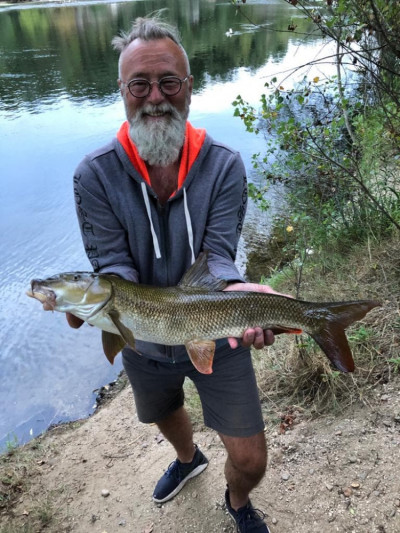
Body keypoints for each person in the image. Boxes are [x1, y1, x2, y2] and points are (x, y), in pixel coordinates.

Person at [68, 15, 282, 533]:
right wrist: (89, 308)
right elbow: (112, 269)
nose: (155, 96)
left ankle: (236, 499)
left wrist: (241, 296)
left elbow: (219, 257)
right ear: (122, 91)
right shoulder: (93, 176)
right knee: (163, 413)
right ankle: (189, 459)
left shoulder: (225, 165)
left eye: (169, 82)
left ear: (189, 88)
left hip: (212, 325)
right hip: (141, 335)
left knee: (252, 460)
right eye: (139, 84)